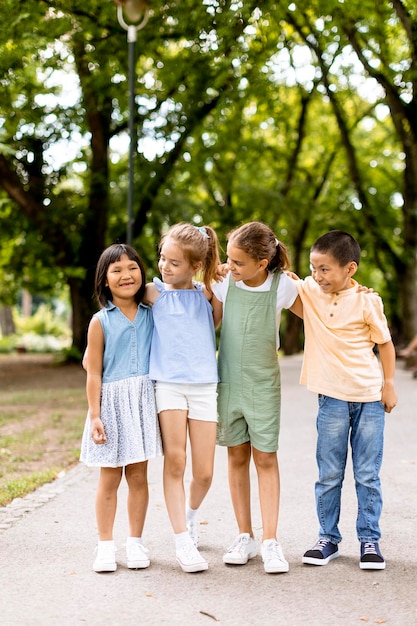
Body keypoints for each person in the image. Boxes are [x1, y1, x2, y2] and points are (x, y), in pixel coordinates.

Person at [296, 230, 398, 570]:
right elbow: (276, 275)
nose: (318, 275)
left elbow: (384, 344)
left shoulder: (369, 301)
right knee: (329, 474)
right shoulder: (309, 291)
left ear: (349, 269)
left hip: (369, 397)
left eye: (325, 269)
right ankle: (328, 538)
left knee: (367, 474)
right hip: (332, 400)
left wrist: (390, 384)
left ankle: (370, 539)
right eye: (314, 267)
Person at [210, 221, 303, 574]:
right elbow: (208, 322)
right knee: (236, 457)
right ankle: (244, 535)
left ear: (262, 263)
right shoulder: (223, 283)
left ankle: (270, 541)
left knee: (265, 458)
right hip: (229, 382)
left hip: (263, 384)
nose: (229, 267)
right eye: (228, 259)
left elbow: (321, 316)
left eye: (237, 262)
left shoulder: (283, 287)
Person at [80, 243, 163, 573]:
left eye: (132, 268)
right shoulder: (100, 322)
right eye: (116, 270)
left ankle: (135, 542)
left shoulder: (152, 313)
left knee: (139, 476)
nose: (126, 274)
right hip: (111, 405)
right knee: (110, 477)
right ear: (104, 280)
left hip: (142, 401)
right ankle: (105, 546)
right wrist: (94, 414)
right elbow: (94, 371)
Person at [143, 223, 221, 573]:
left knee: (203, 472)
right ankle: (181, 541)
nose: (165, 266)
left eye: (174, 262)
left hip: (204, 386)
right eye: (162, 258)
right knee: (176, 462)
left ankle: (189, 517)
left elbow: (223, 317)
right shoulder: (152, 293)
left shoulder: (208, 296)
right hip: (168, 386)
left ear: (194, 266)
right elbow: (113, 291)